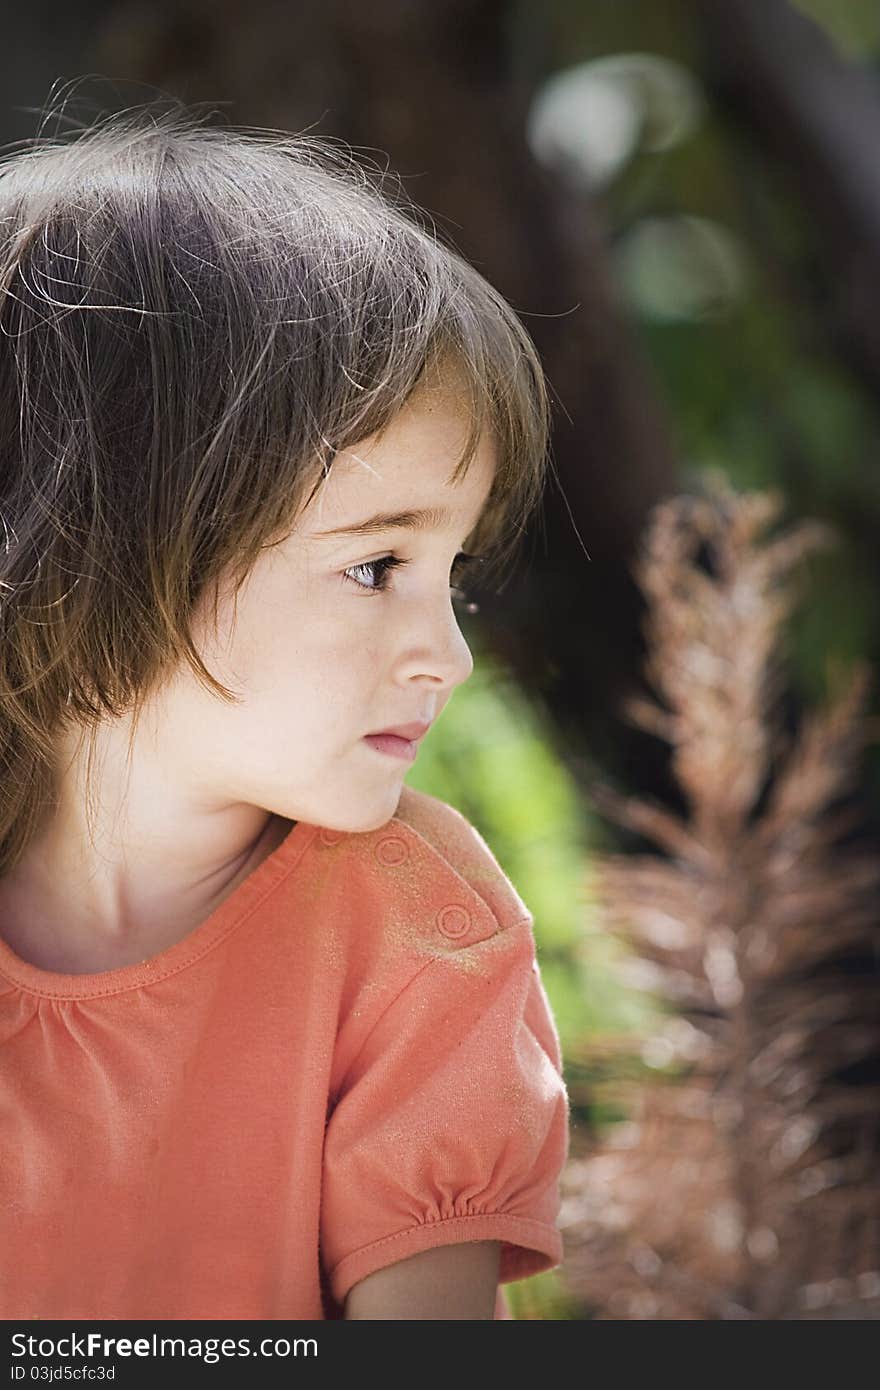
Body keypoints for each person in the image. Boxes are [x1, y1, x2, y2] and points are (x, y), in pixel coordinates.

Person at [0, 101, 570, 1321]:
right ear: (105, 543)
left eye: (452, 576)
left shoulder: (418, 928)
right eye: (376, 568)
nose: (448, 657)